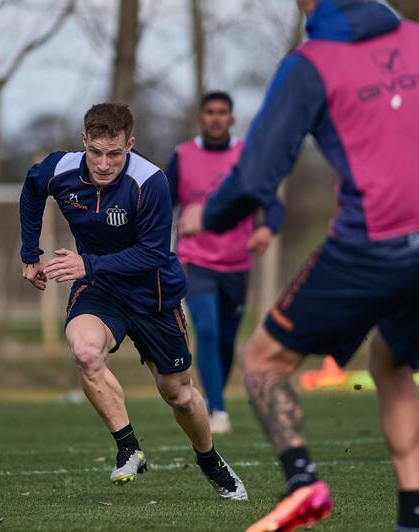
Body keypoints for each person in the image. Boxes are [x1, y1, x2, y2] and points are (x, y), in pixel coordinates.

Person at [178, 1, 419, 530]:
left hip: (372, 245)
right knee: (391, 360)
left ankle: (303, 484)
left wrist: (207, 215)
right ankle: (412, 513)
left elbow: (253, 177)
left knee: (263, 361)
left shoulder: (313, 61)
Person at [19, 102, 247, 500]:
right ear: (84, 141)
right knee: (86, 352)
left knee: (178, 394)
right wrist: (29, 253)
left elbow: (153, 255)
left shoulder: (151, 181)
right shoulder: (61, 170)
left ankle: (210, 459)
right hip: (101, 291)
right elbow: (32, 188)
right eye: (96, 152)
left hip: (153, 295)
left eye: (115, 154)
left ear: (130, 145)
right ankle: (128, 446)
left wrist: (86, 263)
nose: (104, 164)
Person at [167, 91, 283, 434]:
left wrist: (265, 229)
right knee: (207, 328)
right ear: (201, 117)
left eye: (222, 112)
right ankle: (217, 410)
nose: (216, 118)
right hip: (195, 259)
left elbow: (273, 205)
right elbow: (163, 202)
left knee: (227, 339)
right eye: (210, 112)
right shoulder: (183, 156)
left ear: (231, 118)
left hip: (236, 263)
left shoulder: (246, 156)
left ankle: (217, 397)